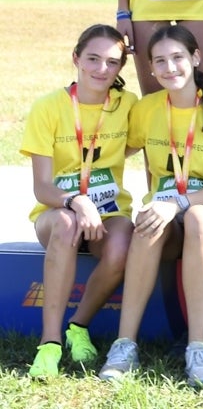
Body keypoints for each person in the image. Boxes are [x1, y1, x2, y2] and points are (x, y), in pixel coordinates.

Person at [98, 25, 203, 388]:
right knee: (149, 219)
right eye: (159, 61)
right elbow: (114, 148)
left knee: (196, 217)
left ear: (195, 58)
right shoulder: (147, 109)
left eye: (178, 57)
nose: (170, 67)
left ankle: (198, 349)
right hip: (162, 217)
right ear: (149, 68)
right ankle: (124, 346)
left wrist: (175, 201)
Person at [23, 26, 137, 378]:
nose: (102, 69)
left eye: (112, 62)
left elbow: (147, 141)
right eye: (93, 58)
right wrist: (76, 200)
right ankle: (50, 343)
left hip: (110, 211)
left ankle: (78, 326)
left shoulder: (128, 105)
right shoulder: (48, 107)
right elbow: (42, 187)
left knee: (122, 243)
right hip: (58, 211)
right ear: (76, 58)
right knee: (66, 223)